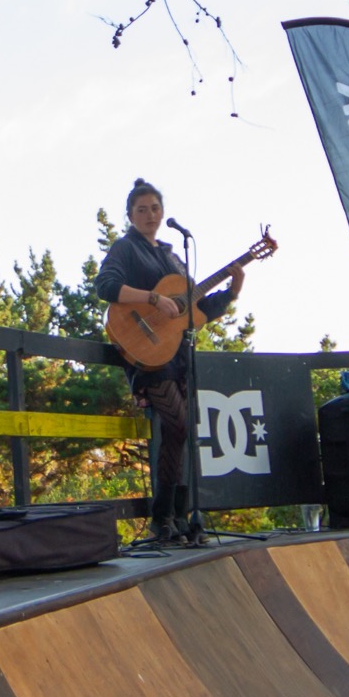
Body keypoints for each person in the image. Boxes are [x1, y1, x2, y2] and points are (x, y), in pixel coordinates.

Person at [95, 180, 243, 544]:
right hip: (147, 354)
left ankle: (176, 519)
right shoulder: (126, 248)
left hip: (175, 355)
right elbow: (105, 286)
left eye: (154, 208)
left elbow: (197, 310)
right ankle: (163, 518)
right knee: (177, 426)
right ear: (130, 215)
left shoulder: (174, 258)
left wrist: (234, 289)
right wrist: (151, 298)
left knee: (182, 433)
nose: (149, 215)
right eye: (141, 209)